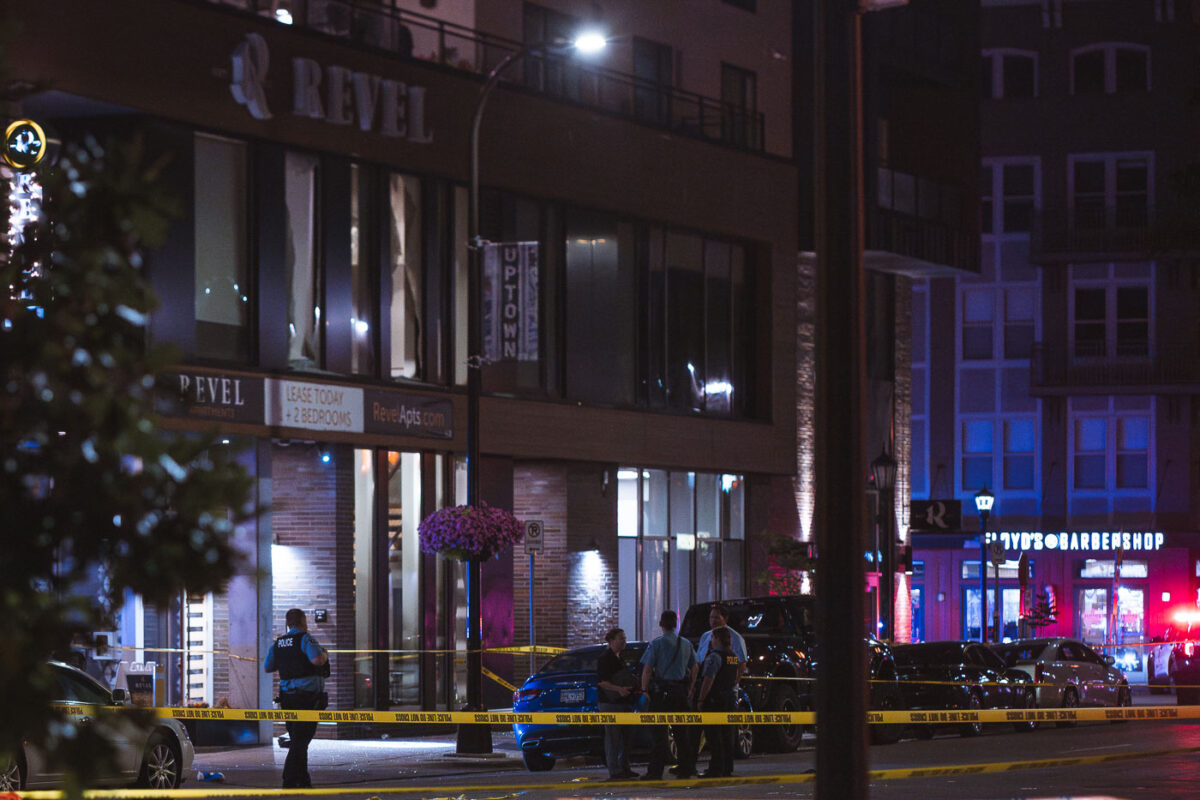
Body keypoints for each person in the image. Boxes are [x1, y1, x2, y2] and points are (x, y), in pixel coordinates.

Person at [264, 608, 329, 789]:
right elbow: (317, 660)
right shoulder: (305, 639)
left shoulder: (279, 643)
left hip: (288, 698)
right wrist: (325, 654)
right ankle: (289, 779)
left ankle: (303, 780)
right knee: (301, 740)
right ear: (302, 621)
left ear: (287, 623)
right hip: (307, 698)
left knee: (299, 738)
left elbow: (268, 667)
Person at [639, 610, 697, 780]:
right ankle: (686, 768)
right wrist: (691, 687)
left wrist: (644, 690)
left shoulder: (656, 644)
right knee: (681, 734)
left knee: (659, 735)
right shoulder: (686, 644)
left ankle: (655, 771)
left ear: (661, 624)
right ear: (675, 624)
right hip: (680, 693)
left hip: (662, 694)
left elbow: (647, 669)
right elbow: (695, 666)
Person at [695, 626, 739, 778]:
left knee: (714, 736)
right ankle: (727, 768)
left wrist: (701, 699)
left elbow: (709, 679)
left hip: (715, 700)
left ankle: (716, 769)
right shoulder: (733, 656)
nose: (711, 641)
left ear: (717, 639)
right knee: (728, 735)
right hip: (729, 698)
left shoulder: (715, 657)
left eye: (713, 638)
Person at [596, 627, 638, 781]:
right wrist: (619, 689)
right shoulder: (605, 658)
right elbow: (602, 682)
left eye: (625, 638)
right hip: (610, 703)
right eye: (621, 638)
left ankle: (624, 767)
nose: (624, 641)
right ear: (612, 640)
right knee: (613, 738)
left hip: (624, 702)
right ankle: (614, 771)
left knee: (626, 737)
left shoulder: (620, 657)